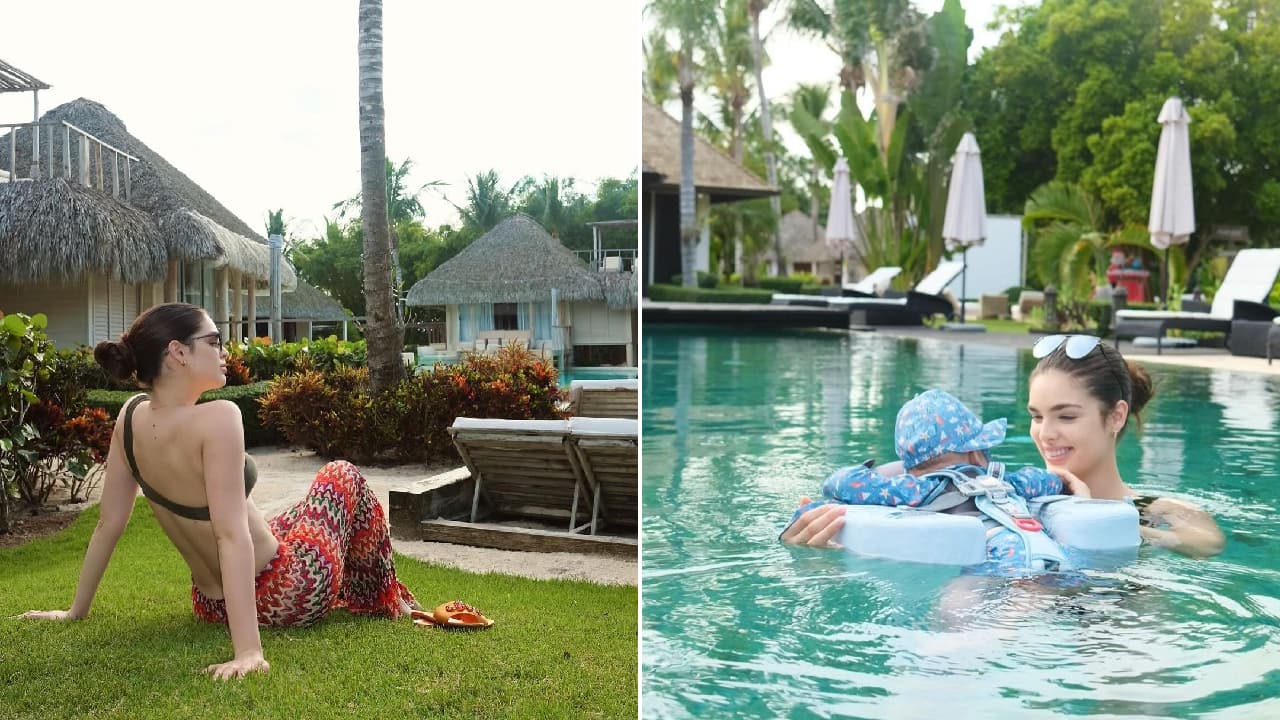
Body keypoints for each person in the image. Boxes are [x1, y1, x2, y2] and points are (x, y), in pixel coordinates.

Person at [19, 303, 418, 680]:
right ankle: (381, 598)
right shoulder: (220, 417)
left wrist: (76, 611)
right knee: (341, 475)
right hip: (289, 592)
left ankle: (373, 592)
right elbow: (229, 535)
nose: (225, 351)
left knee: (297, 514)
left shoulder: (129, 417)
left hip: (211, 604)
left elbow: (108, 523)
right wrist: (249, 652)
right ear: (178, 353)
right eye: (214, 342)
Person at [783, 335, 1226, 559]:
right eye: (1036, 416)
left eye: (1065, 416)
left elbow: (1205, 544)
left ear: (1115, 416)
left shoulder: (1158, 510)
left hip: (1109, 627)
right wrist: (822, 547)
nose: (1045, 433)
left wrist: (1096, 520)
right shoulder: (991, 495)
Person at [783, 388, 1085, 576]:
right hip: (1045, 551)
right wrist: (1066, 482)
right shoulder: (1008, 481)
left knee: (960, 601)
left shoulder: (916, 489)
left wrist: (881, 472)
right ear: (978, 453)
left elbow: (844, 483)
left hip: (996, 558)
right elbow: (1049, 481)